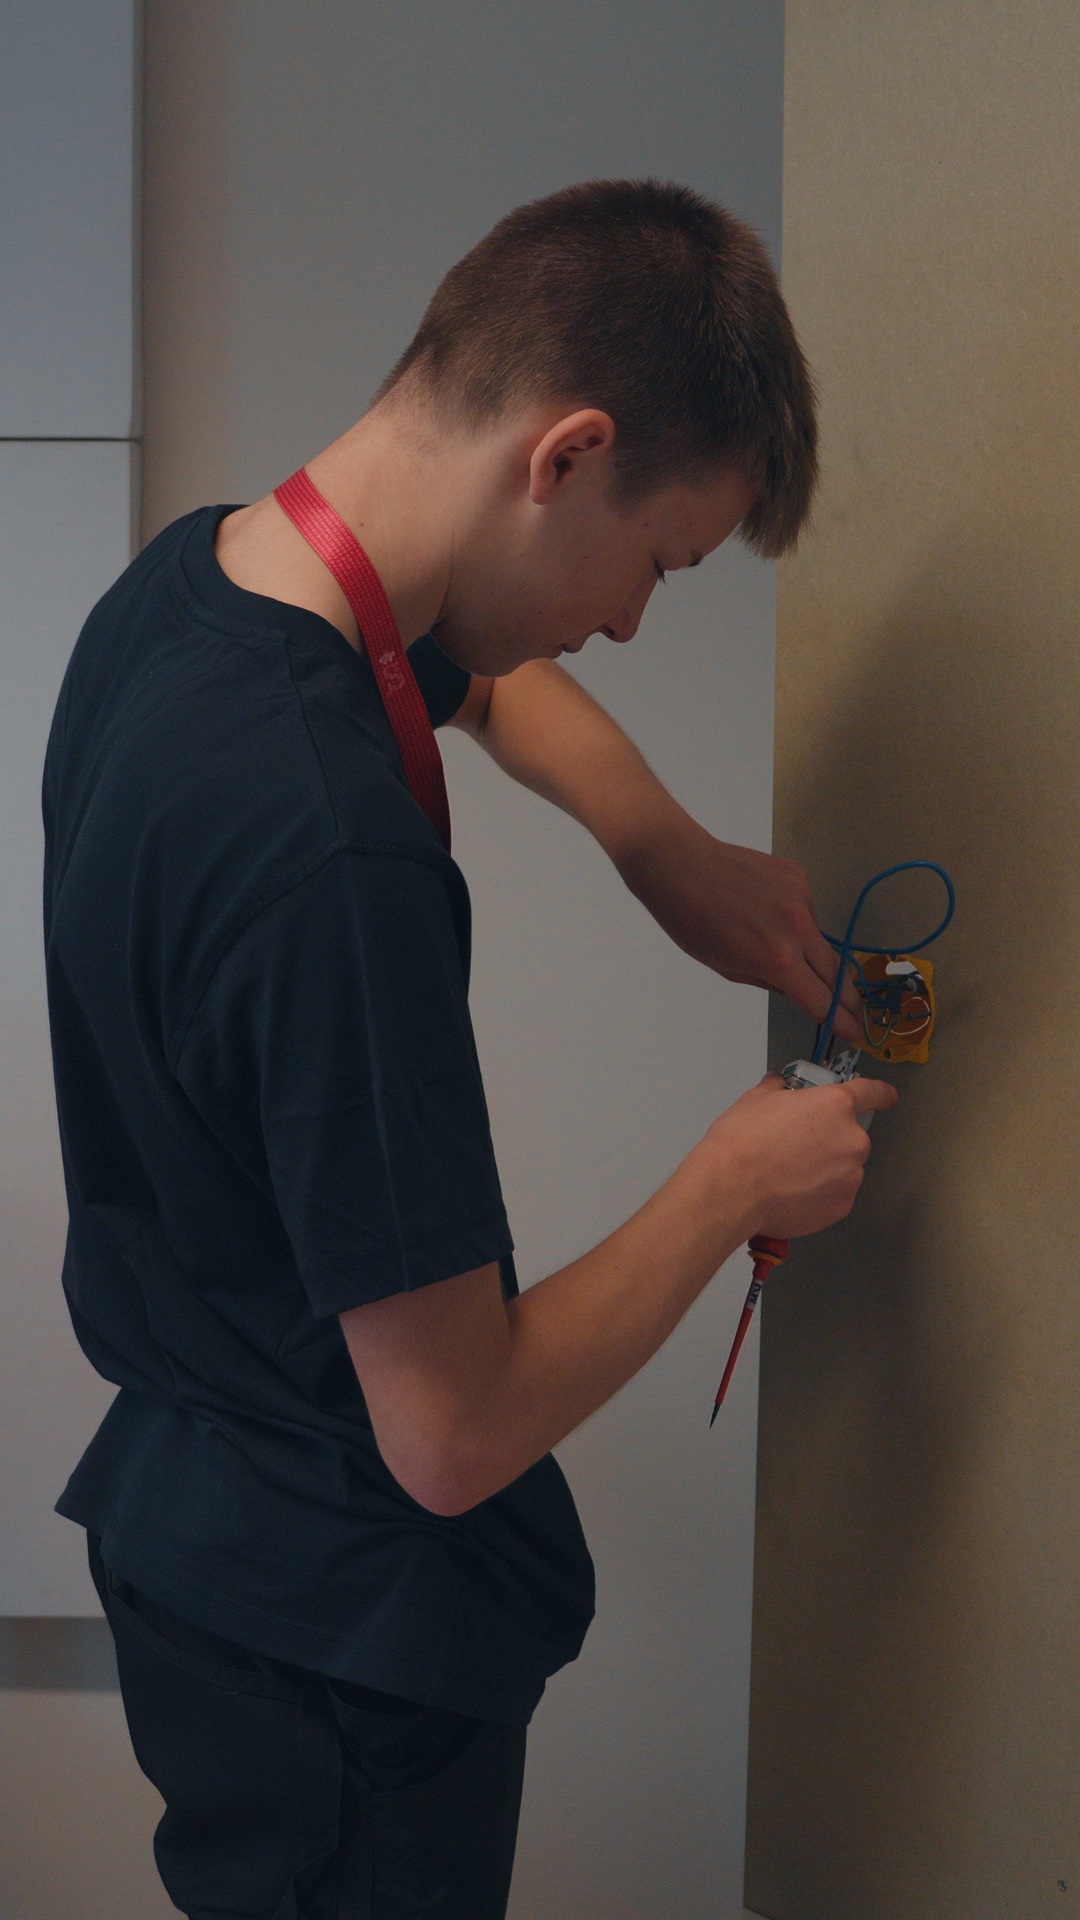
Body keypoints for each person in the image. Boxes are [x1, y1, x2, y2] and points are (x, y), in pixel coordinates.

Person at [42, 178, 896, 1920]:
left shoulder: (190, 593)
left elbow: (475, 676)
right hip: (340, 1655)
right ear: (565, 453)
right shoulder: (329, 856)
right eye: (658, 563)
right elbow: (450, 1429)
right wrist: (737, 1176)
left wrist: (663, 849)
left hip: (204, 1553)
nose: (636, 625)